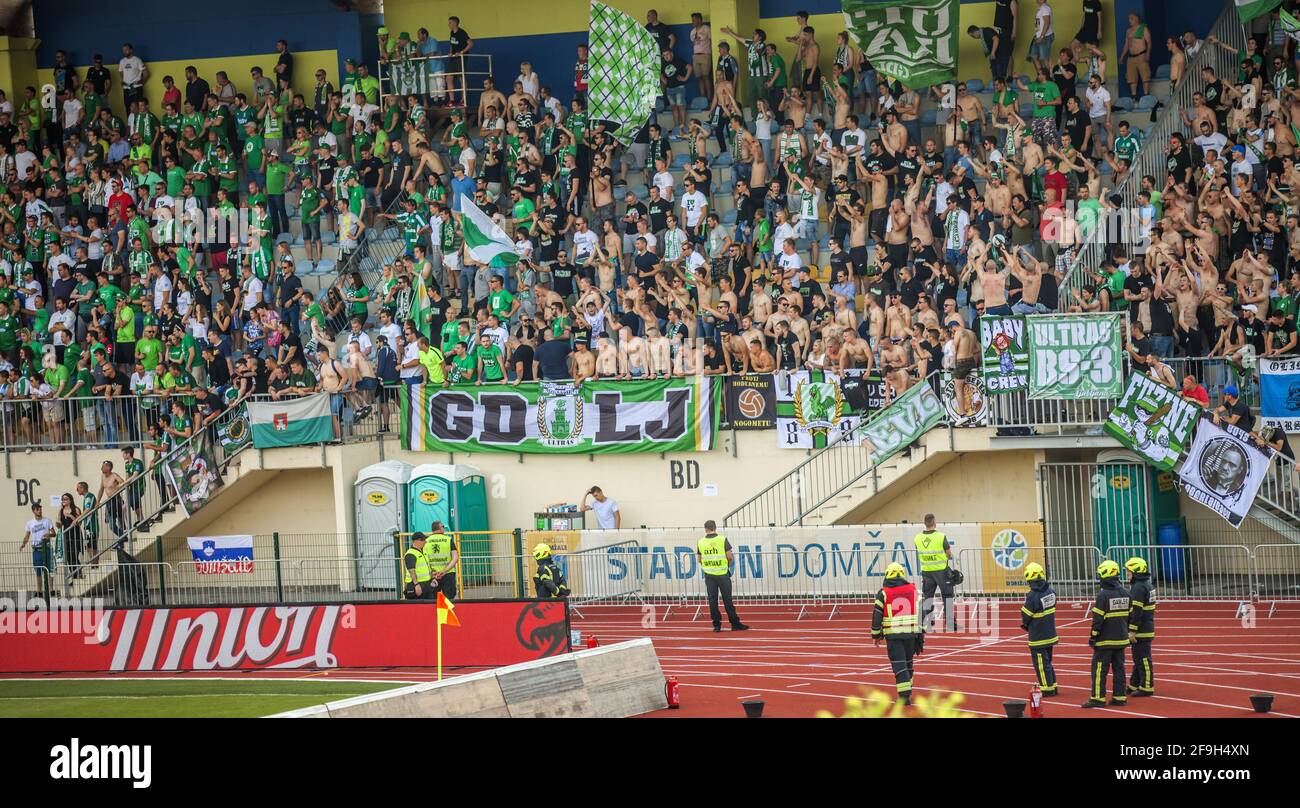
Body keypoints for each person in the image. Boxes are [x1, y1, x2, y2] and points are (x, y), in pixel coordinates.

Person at [871, 562, 922, 705]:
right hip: (911, 634)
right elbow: (921, 610)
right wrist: (921, 631)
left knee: (899, 666)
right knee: (908, 663)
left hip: (894, 636)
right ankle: (907, 691)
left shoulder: (884, 593)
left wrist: (875, 635)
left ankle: (904, 697)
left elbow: (877, 615)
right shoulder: (913, 590)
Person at [1083, 559, 1131, 708]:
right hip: (1121, 639)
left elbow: (1098, 620)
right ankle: (1119, 696)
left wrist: (1094, 636)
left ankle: (1098, 698)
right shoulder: (1126, 593)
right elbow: (1131, 615)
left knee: (1099, 670)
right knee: (1119, 669)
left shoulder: (1103, 595)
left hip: (1104, 641)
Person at [695, 519, 749, 632]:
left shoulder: (700, 542)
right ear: (715, 528)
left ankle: (716, 625)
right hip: (723, 574)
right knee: (727, 600)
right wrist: (726, 566)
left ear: (705, 529)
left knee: (712, 601)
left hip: (709, 575)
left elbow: (699, 559)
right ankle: (735, 624)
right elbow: (729, 557)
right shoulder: (722, 539)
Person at [1019, 561, 1059, 697]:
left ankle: (1047, 689)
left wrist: (1025, 624)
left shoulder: (1032, 595)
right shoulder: (1051, 591)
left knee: (1041, 665)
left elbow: (1026, 615)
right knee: (1048, 662)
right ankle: (1053, 685)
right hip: (1050, 633)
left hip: (1038, 636)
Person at [912, 513, 957, 632]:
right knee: (947, 596)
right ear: (934, 522)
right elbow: (948, 552)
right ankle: (950, 624)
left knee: (928, 597)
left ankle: (924, 622)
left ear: (924, 523)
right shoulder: (941, 536)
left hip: (926, 571)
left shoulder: (917, 538)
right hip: (941, 570)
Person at [1125, 556, 1156, 697]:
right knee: (1138, 657)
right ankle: (1134, 684)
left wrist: (1132, 630)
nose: (1127, 575)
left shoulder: (1138, 587)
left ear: (1136, 572)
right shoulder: (1147, 585)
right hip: (1146, 626)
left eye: (1129, 572)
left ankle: (1147, 686)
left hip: (1142, 629)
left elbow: (1136, 612)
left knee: (1143, 658)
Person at [19, 502, 55, 592]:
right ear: (33, 511)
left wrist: (49, 535)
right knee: (38, 571)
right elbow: (27, 535)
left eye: (40, 509)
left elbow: (54, 533)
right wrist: (23, 544)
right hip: (36, 550)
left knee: (49, 570)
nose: (40, 511)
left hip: (46, 548)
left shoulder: (47, 521)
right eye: (37, 509)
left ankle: (51, 589)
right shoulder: (30, 523)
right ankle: (39, 590)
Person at [423, 520, 459, 598]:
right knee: (449, 599)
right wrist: (444, 571)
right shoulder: (448, 540)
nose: (444, 528)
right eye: (443, 527)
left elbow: (424, 560)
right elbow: (455, 558)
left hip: (433, 575)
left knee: (433, 600)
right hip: (448, 574)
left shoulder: (426, 541)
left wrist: (432, 572)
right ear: (440, 528)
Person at [402, 532, 435, 600]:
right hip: (416, 585)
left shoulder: (423, 552)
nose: (425, 542)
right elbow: (412, 571)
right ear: (416, 541)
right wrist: (416, 585)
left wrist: (432, 578)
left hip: (426, 584)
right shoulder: (410, 554)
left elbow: (427, 567)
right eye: (423, 540)